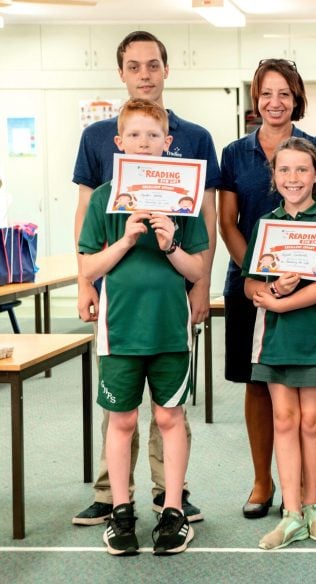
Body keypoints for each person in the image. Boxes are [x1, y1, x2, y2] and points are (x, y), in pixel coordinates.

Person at [72, 30, 219, 526]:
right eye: (134, 66)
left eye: (152, 65)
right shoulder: (96, 138)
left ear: (165, 70)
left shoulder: (194, 136)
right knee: (121, 409)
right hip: (118, 298)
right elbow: (84, 218)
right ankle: (114, 496)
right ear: (121, 73)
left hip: (170, 299)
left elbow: (207, 221)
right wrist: (84, 282)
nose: (144, 74)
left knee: (168, 410)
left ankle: (168, 494)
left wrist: (200, 287)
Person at [218, 58, 316, 519]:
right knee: (257, 383)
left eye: (284, 93)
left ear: (296, 98)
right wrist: (259, 274)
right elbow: (228, 223)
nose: (275, 102)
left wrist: (297, 281)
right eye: (266, 93)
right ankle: (262, 481)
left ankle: (305, 493)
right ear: (256, 99)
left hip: (307, 286)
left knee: (304, 398)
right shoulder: (234, 153)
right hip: (248, 281)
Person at [242, 137, 316, 550]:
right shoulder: (266, 224)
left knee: (312, 421)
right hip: (272, 340)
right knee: (283, 421)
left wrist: (284, 304)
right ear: (274, 176)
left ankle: (313, 507)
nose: (293, 178)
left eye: (302, 169)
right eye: (284, 170)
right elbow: (250, 281)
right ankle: (290, 513)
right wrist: (269, 288)